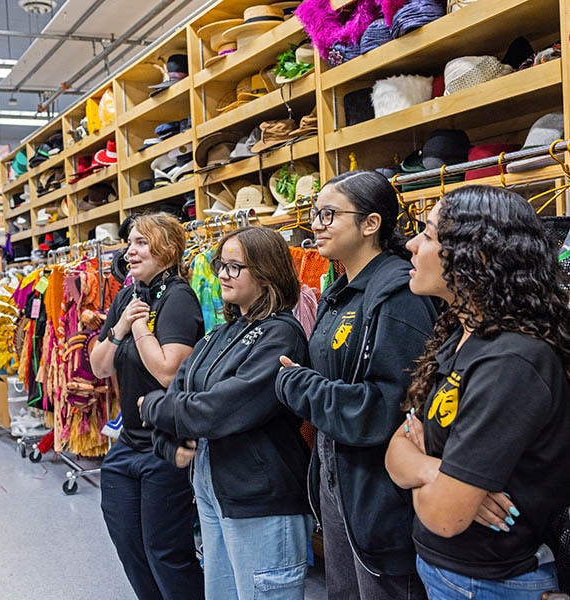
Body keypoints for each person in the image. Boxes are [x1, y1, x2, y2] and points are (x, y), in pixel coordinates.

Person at [385, 185, 570, 598]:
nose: (412, 244)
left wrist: (422, 465)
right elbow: (395, 449)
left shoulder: (511, 362)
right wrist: (436, 471)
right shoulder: (461, 333)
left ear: (477, 256)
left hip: (490, 583)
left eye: (429, 235)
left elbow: (444, 516)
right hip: (455, 573)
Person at [275, 170, 437, 599]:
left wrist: (297, 386)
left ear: (371, 224)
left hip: (381, 490)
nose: (316, 224)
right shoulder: (341, 290)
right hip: (339, 477)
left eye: (329, 214)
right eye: (314, 214)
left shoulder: (398, 294)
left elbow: (390, 407)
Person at [138, 226, 313, 599]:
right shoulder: (221, 334)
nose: (222, 275)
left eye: (235, 267)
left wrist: (154, 408)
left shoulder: (282, 335)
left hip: (261, 499)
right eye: (221, 265)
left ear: (266, 274)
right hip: (214, 488)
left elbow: (222, 408)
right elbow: (182, 388)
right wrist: (168, 437)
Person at [90, 212, 205, 600]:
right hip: (128, 443)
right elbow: (99, 365)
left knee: (166, 553)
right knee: (129, 547)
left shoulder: (179, 298)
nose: (131, 250)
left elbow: (169, 373)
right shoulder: (127, 296)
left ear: (169, 250)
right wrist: (121, 327)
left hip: (167, 444)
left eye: (142, 242)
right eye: (130, 242)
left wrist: (138, 328)